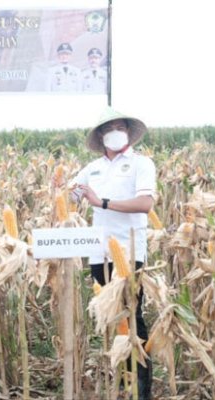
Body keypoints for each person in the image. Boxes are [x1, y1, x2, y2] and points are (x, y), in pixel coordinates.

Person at [70, 106, 155, 399]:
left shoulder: (141, 164)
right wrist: (62, 192)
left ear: (128, 132)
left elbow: (145, 204)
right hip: (99, 253)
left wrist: (102, 202)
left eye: (119, 127)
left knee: (132, 317)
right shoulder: (91, 168)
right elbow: (72, 196)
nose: (114, 132)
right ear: (101, 136)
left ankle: (141, 387)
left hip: (129, 253)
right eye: (108, 129)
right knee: (111, 317)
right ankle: (121, 382)